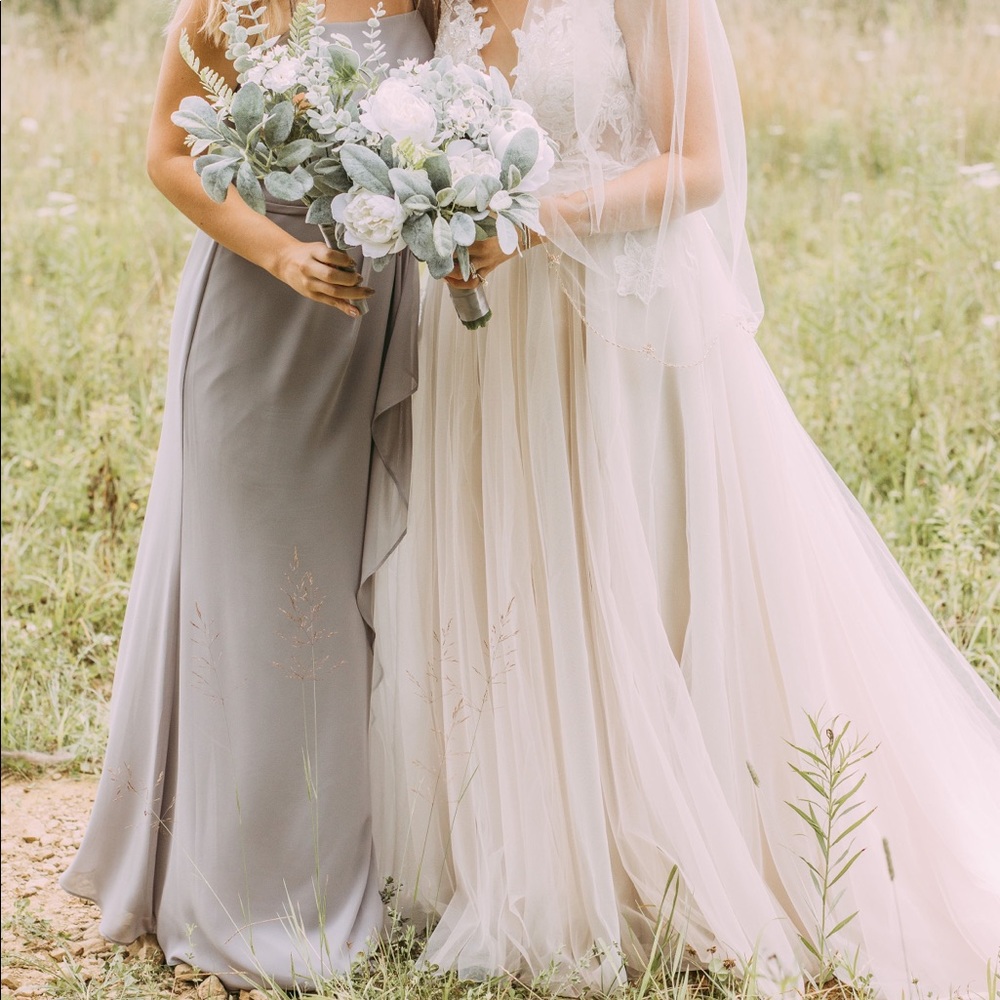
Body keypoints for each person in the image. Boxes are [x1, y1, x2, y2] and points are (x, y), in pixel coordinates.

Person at [369, 0, 1000, 993]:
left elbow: (696, 165)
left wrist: (533, 220)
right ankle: (530, 841)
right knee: (519, 586)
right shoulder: (439, 1)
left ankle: (677, 840)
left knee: (636, 577)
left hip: (618, 328)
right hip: (485, 336)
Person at [60, 0, 434, 990]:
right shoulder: (239, 5)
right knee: (259, 592)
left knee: (351, 606)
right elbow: (167, 153)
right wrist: (277, 250)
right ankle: (237, 893)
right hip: (257, 315)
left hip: (375, 321)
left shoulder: (428, 9)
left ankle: (345, 868)